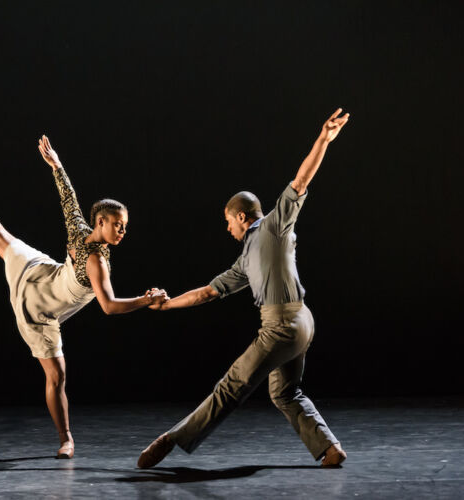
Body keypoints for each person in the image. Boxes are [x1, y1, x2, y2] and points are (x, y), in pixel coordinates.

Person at [0, 135, 167, 459]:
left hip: (40, 272)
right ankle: (66, 438)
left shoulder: (80, 227)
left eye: (124, 227)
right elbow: (109, 306)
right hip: (40, 311)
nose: (123, 232)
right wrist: (146, 300)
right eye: (118, 226)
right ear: (102, 222)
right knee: (57, 377)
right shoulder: (96, 260)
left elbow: (68, 198)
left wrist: (57, 166)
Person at [137, 109, 351, 468]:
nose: (227, 230)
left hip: (282, 325)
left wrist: (323, 140)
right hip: (301, 322)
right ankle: (329, 447)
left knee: (231, 386)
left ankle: (172, 439)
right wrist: (168, 304)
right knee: (283, 391)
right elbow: (207, 292)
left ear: (241, 216)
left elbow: (300, 182)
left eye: (227, 222)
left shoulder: (272, 227)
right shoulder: (246, 258)